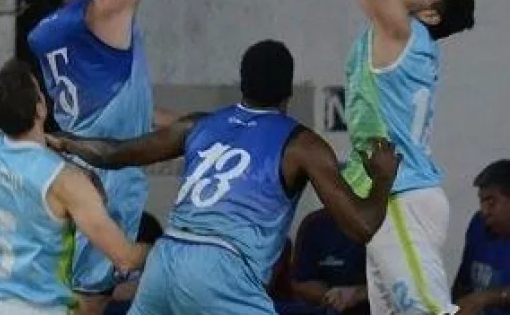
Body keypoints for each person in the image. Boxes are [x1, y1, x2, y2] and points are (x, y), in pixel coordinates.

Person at [48, 40, 401, 314]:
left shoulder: (199, 124)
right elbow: (361, 226)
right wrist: (383, 178)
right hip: (223, 269)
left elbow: (113, 153)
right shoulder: (302, 145)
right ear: (289, 91)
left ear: (240, 83)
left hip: (165, 261)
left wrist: (64, 141)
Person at [308, 0, 476, 315]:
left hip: (402, 197)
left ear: (431, 17)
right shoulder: (391, 29)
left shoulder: (403, 33)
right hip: (389, 197)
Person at [22, 0, 185, 315]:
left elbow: (117, 110)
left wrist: (200, 129)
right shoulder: (100, 11)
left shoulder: (45, 33)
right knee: (89, 304)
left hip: (74, 169)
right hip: (105, 177)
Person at [0, 59, 147, 315]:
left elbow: (29, 158)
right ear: (40, 109)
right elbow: (124, 258)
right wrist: (163, 250)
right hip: (36, 309)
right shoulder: (65, 181)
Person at [452, 160, 510, 315]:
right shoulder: (478, 226)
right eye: (481, 202)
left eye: (491, 202)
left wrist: (487, 297)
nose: (484, 211)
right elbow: (462, 283)